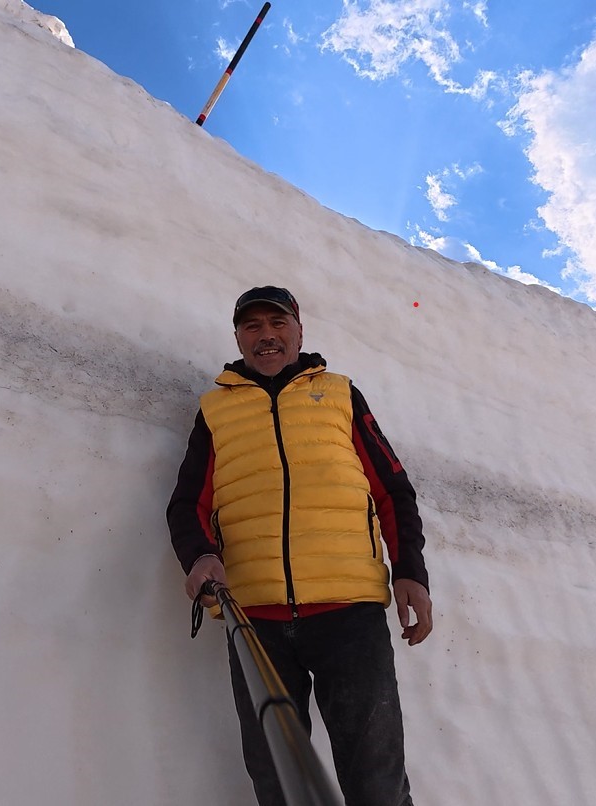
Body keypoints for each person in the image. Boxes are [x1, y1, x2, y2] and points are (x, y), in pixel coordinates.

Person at [167, 285, 432, 806]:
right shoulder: (215, 411)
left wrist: (410, 571)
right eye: (252, 326)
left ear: (299, 330)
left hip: (349, 615)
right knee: (281, 783)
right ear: (238, 338)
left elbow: (392, 488)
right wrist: (199, 555)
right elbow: (187, 504)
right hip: (255, 620)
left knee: (376, 782)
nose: (266, 335)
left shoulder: (339, 394)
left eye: (277, 323)